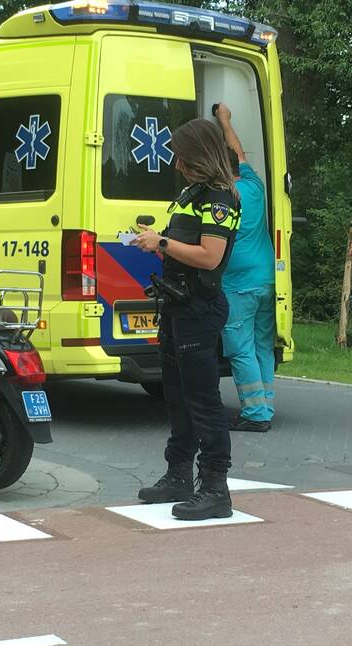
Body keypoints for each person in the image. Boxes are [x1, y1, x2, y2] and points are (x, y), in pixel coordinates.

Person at [132, 118, 242, 520]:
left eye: (182, 156)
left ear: (199, 155)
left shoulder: (219, 198)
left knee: (203, 399)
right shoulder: (189, 194)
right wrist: (154, 239)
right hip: (176, 305)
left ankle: (215, 488)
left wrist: (162, 241)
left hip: (199, 307)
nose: (177, 164)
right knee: (176, 395)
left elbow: (211, 256)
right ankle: (177, 475)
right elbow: (181, 245)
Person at [213, 103, 276, 433]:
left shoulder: (223, 196)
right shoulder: (254, 185)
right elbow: (237, 150)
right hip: (265, 279)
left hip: (238, 283)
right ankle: (265, 402)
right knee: (262, 345)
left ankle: (255, 413)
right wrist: (225, 119)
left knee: (239, 349)